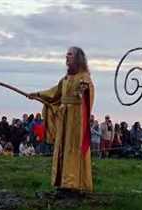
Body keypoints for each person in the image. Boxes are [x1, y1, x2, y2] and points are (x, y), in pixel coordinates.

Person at [28, 47, 95, 192]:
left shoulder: (84, 76)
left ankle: (74, 184)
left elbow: (87, 92)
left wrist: (82, 92)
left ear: (78, 58)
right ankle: (63, 183)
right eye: (67, 54)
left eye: (70, 54)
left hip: (76, 120)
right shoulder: (65, 79)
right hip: (64, 119)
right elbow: (54, 93)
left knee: (73, 148)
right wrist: (37, 94)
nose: (67, 57)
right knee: (62, 149)